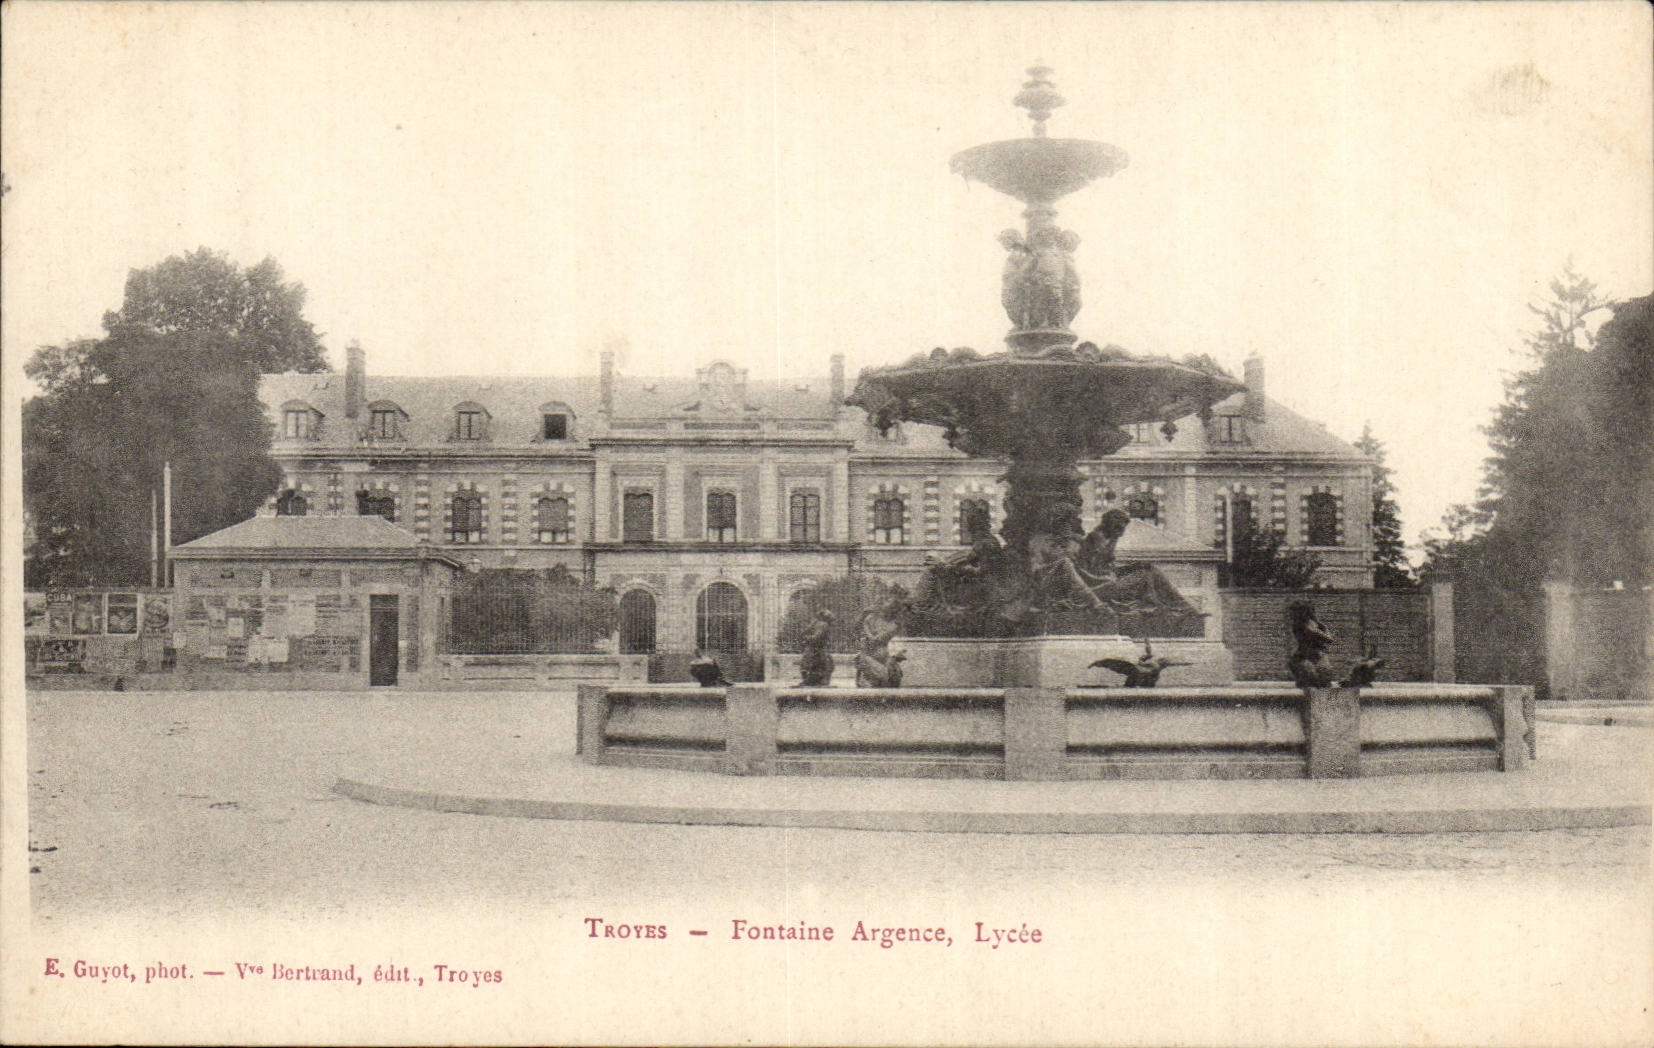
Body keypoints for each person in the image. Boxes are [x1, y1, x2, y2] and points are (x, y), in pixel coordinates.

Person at [855, 602, 905, 687]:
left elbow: (879, 638)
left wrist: (871, 636)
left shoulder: (894, 625)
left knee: (885, 672)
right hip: (873, 653)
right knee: (863, 659)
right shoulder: (871, 619)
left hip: (883, 655)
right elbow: (870, 635)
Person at [1287, 602, 1336, 688]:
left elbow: (1328, 639)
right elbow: (1329, 639)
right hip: (1308, 656)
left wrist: (1322, 628)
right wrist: (1323, 628)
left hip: (1311, 656)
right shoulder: (1305, 625)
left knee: (1320, 679)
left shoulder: (1304, 624)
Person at [797, 609, 835, 687]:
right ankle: (816, 680)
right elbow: (815, 636)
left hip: (817, 648)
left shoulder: (821, 624)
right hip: (817, 648)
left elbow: (815, 636)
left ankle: (815, 680)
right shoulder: (821, 624)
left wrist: (807, 637)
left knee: (815, 664)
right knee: (817, 664)